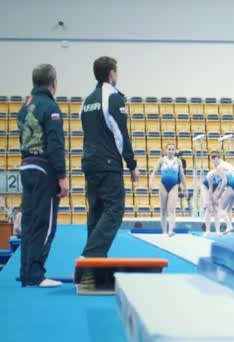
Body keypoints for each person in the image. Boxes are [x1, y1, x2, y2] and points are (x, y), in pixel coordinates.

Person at [80, 57, 138, 267]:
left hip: (90, 162)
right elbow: (120, 134)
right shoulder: (113, 98)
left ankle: (94, 264)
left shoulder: (86, 101)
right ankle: (91, 255)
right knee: (114, 209)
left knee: (95, 211)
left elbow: (87, 133)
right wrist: (131, 164)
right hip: (108, 164)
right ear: (111, 73)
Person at [17, 64, 69, 287]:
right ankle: (37, 274)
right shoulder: (51, 107)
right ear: (53, 83)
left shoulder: (24, 106)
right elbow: (55, 144)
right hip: (44, 168)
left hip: (26, 165)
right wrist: (62, 176)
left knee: (29, 222)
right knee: (45, 224)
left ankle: (27, 272)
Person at [149, 144, 187, 235]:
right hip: (163, 185)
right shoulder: (161, 160)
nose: (170, 151)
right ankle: (164, 231)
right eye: (169, 149)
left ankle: (170, 230)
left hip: (174, 186)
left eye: (172, 149)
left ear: (175, 151)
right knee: (163, 209)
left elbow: (181, 175)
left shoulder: (178, 161)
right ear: (166, 150)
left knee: (172, 209)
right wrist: (151, 183)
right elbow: (154, 172)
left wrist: (185, 188)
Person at [208, 149, 234, 235]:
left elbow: (224, 181)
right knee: (228, 209)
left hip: (231, 186)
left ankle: (229, 226)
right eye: (212, 158)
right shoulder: (228, 165)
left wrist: (219, 193)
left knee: (220, 209)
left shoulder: (220, 167)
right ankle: (228, 231)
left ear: (219, 157)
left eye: (214, 158)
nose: (213, 160)